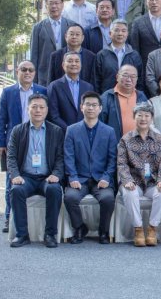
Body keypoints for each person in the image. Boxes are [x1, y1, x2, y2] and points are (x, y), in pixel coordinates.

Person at [7, 94, 64, 248]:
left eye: (41, 107)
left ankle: (50, 234)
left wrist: (56, 174)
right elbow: (11, 157)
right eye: (34, 107)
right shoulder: (18, 131)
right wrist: (15, 175)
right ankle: (22, 235)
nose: (38, 110)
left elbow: (60, 157)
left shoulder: (56, 131)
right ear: (28, 109)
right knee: (16, 190)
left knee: (54, 189)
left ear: (47, 110)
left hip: (47, 177)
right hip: (26, 177)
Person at [63, 91, 116, 245]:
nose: (91, 108)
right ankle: (79, 228)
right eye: (87, 105)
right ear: (81, 107)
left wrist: (107, 177)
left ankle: (103, 231)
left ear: (100, 108)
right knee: (70, 198)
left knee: (107, 199)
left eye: (94, 105)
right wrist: (72, 177)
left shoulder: (109, 131)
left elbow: (113, 158)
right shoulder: (71, 130)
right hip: (79, 178)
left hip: (101, 179)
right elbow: (68, 156)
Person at [117, 102, 161, 247]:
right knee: (130, 193)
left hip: (153, 181)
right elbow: (121, 164)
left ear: (152, 118)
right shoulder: (125, 139)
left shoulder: (160, 139)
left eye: (147, 115)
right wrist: (127, 180)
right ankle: (138, 229)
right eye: (139, 115)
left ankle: (152, 228)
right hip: (134, 181)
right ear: (134, 117)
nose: (143, 119)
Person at [31, 0, 77, 86]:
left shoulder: (71, 26)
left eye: (56, 3)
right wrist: (34, 81)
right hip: (45, 75)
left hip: (67, 72)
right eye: (51, 3)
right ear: (46, 6)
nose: (54, 6)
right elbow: (34, 55)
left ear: (62, 5)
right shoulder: (38, 28)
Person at [93, 19, 144, 92]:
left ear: (127, 34)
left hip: (129, 96)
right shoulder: (102, 55)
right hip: (107, 95)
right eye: (116, 30)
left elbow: (140, 80)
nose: (120, 33)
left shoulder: (134, 55)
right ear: (110, 33)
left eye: (123, 31)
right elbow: (96, 81)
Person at [47, 51, 94, 131]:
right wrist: (69, 130)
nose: (74, 64)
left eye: (77, 61)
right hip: (62, 133)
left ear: (81, 65)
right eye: (70, 61)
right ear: (63, 65)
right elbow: (53, 115)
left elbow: (91, 111)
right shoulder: (54, 86)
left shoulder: (88, 87)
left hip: (84, 132)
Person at [99, 64, 148, 137]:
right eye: (125, 75)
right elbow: (100, 124)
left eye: (133, 76)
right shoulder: (107, 97)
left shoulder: (141, 96)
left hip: (138, 142)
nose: (129, 80)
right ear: (117, 77)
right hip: (114, 142)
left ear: (137, 79)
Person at [128, 0, 161, 66]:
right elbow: (135, 49)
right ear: (146, 1)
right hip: (146, 67)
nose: (154, 2)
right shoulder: (138, 23)